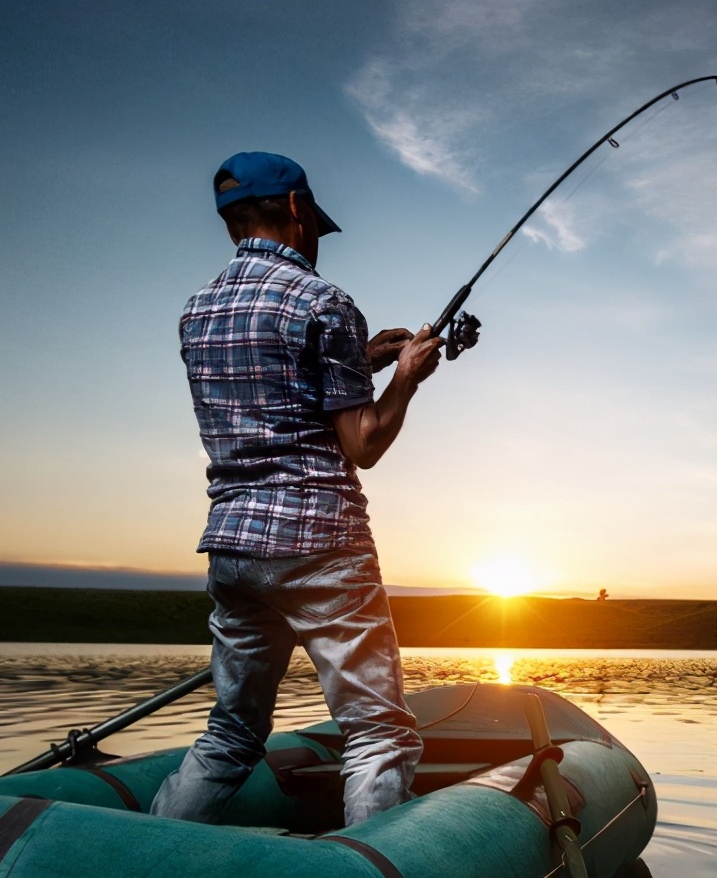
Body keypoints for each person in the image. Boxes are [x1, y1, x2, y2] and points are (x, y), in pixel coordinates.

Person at [151, 151, 443, 826]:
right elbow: (362, 444)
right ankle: (371, 866)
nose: (314, 233)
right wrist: (404, 378)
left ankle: (144, 856)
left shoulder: (196, 313)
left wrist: (356, 358)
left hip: (233, 547)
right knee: (378, 732)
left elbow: (267, 388)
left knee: (230, 736)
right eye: (313, 219)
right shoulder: (324, 301)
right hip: (320, 544)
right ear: (294, 210)